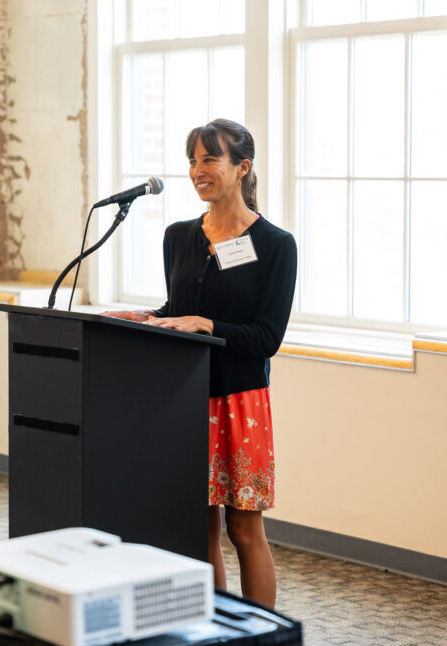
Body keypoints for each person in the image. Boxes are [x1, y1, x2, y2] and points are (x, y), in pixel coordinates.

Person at [103, 119, 297, 608]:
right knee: (199, 524)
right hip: (185, 398)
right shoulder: (179, 237)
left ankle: (260, 639)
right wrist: (147, 317)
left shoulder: (275, 245)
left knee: (243, 527)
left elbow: (266, 337)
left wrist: (208, 325)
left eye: (209, 159)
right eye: (192, 160)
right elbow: (179, 310)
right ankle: (217, 634)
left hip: (240, 401)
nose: (197, 171)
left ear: (242, 167)